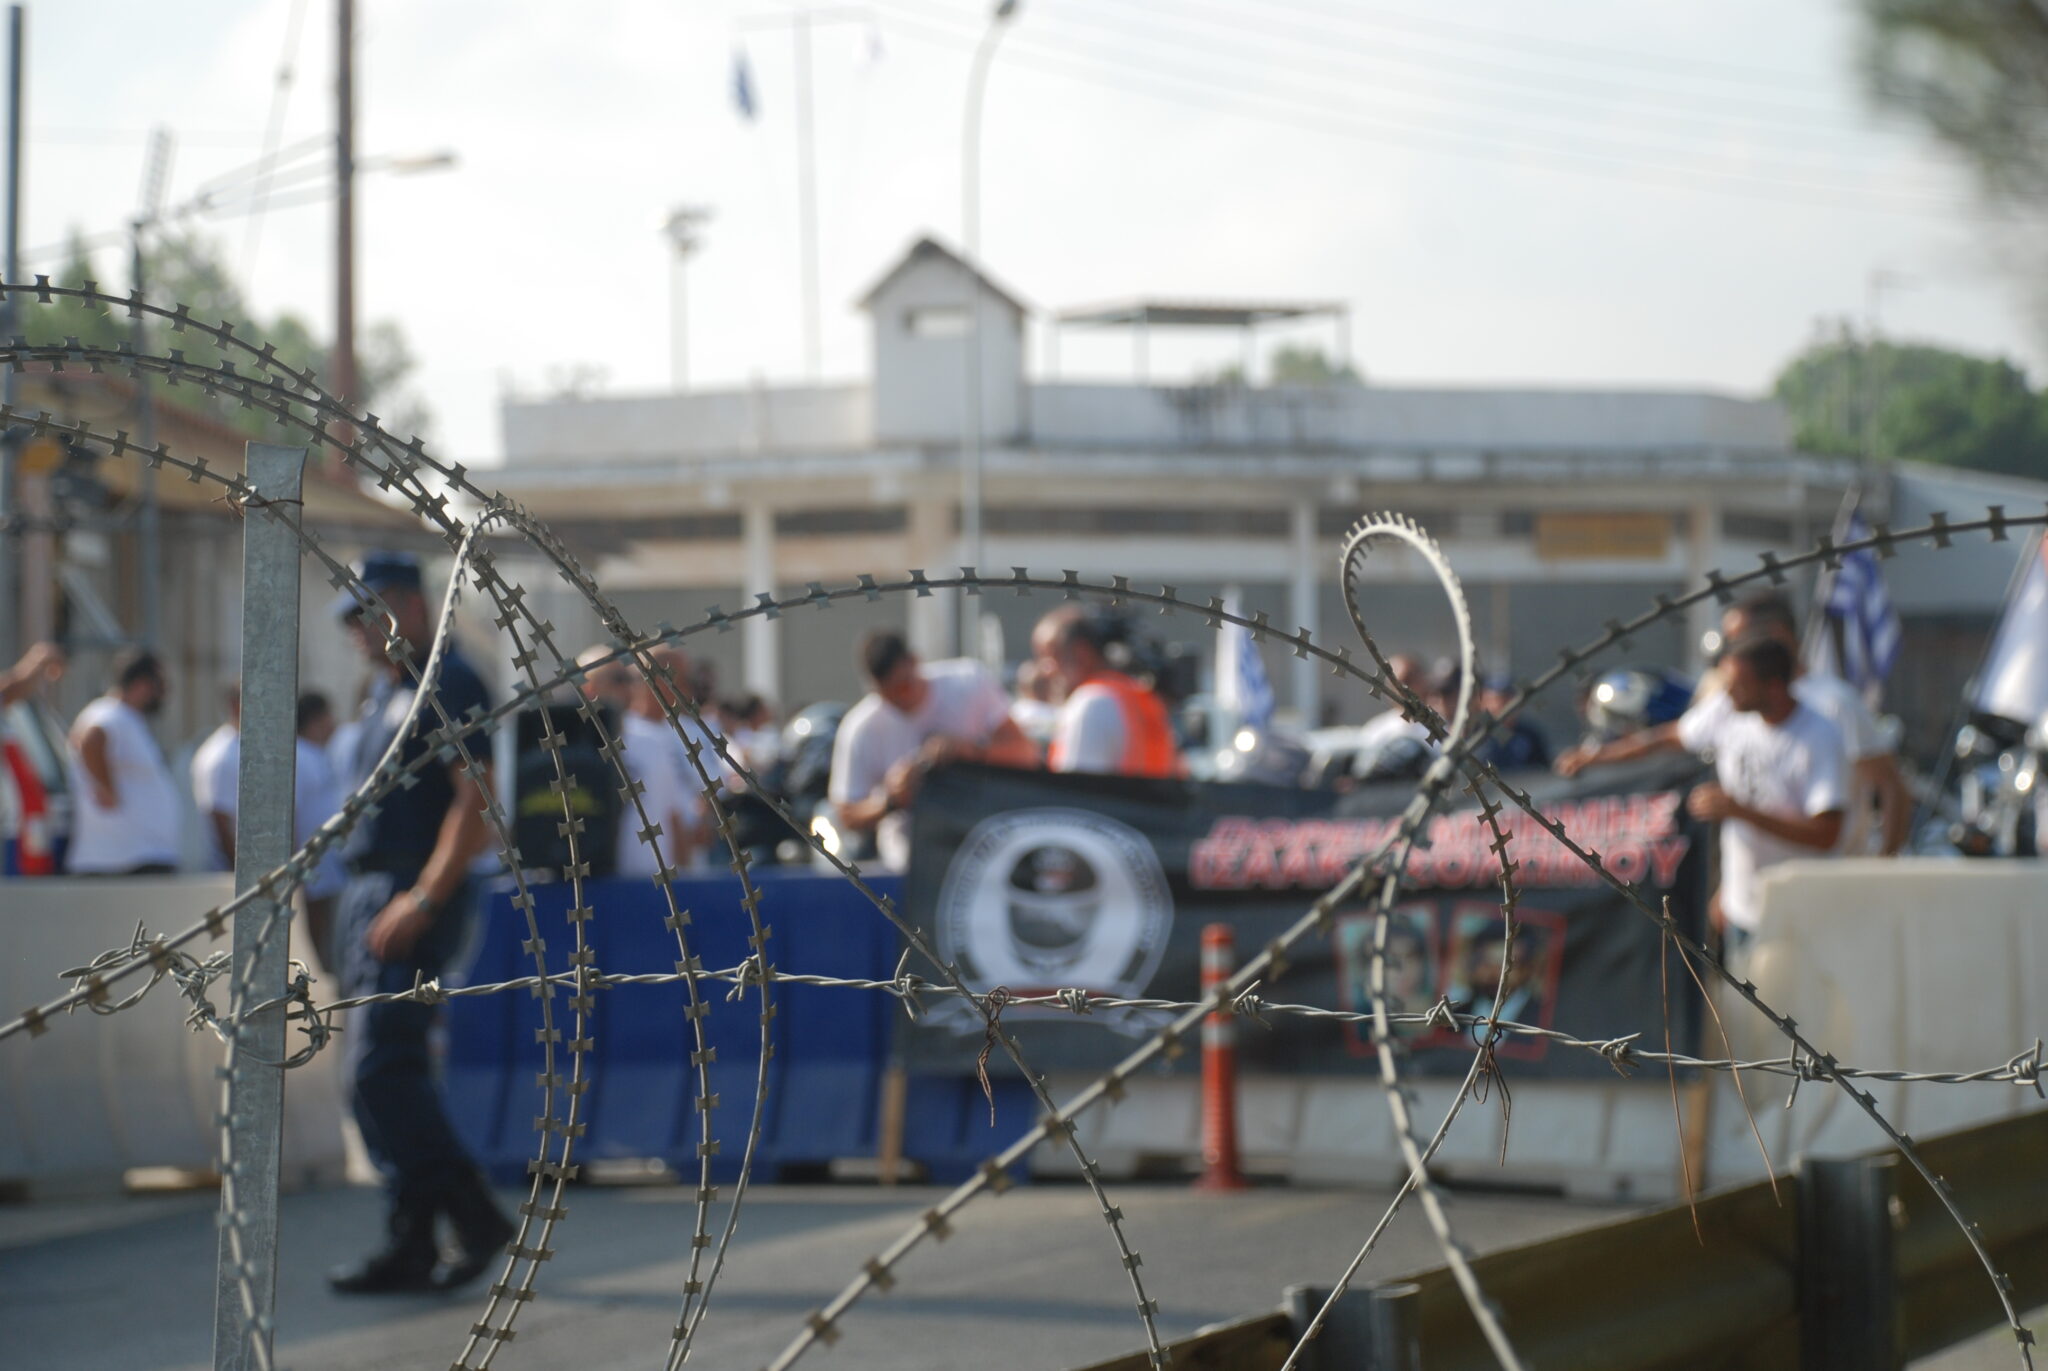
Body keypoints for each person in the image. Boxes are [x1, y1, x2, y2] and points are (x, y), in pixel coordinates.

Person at [328, 552, 513, 1294]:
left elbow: (477, 799)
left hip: (413, 888)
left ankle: (471, 1215)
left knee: (383, 1068)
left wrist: (427, 895)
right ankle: (411, 1236)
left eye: (366, 614)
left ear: (404, 603)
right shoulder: (387, 692)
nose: (357, 633)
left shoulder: (448, 682)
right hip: (373, 890)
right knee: (376, 1074)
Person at [1560, 636, 1847, 956]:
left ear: (1775, 687)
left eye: (1739, 684)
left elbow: (1827, 834)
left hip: (1802, 911)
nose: (1727, 692)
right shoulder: (1728, 711)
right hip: (1743, 906)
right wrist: (1597, 758)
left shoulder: (1819, 736)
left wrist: (1740, 811)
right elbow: (1668, 737)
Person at [830, 629, 1032, 870]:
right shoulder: (861, 727)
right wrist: (891, 800)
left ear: (915, 661)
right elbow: (846, 813)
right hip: (912, 851)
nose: (900, 700)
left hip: (983, 831)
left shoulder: (968, 682)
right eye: (887, 695)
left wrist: (969, 752)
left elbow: (1025, 753)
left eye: (903, 686)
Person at [575, 644, 700, 880]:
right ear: (588, 687)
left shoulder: (653, 741)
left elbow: (673, 818)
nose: (629, 686)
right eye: (619, 678)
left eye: (631, 678)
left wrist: (685, 887)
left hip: (648, 886)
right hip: (588, 886)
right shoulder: (566, 750)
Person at [1031, 606, 1184, 779]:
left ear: (1082, 653)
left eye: (1050, 656)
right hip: (1147, 805)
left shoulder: (1091, 702)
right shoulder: (1141, 697)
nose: (1046, 670)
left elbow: (1074, 792)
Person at [65, 648, 181, 875]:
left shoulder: (127, 717)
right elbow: (91, 739)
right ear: (142, 684)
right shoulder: (107, 713)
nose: (161, 694)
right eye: (159, 686)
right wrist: (107, 789)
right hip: (118, 862)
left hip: (139, 857)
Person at [295, 691, 349, 974]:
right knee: (320, 931)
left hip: (332, 867)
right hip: (314, 867)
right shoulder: (300, 757)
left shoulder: (318, 754)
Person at [191, 683, 241, 869]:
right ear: (236, 705)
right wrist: (240, 869)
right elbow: (219, 819)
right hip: (229, 872)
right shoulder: (223, 755)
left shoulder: (236, 747)